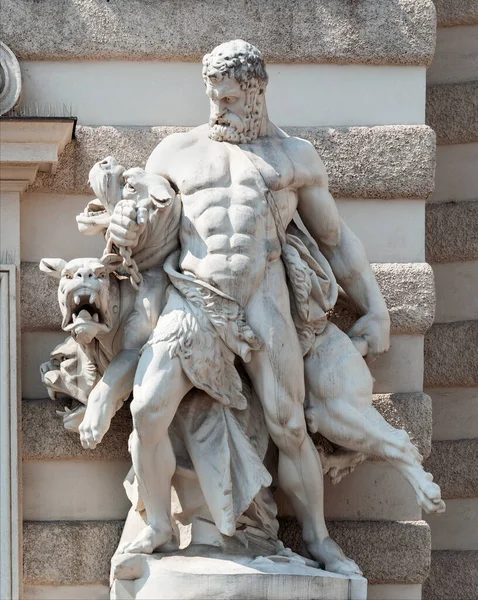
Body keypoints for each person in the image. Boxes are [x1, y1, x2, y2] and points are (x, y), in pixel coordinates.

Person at [101, 40, 391, 574]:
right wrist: (124, 226)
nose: (219, 109)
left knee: (288, 424)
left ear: (258, 93)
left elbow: (334, 239)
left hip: (264, 297)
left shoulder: (294, 157)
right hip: (195, 296)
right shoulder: (175, 152)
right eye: (212, 98)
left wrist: (375, 308)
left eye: (231, 99)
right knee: (146, 411)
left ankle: (319, 539)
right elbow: (144, 216)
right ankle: (161, 525)